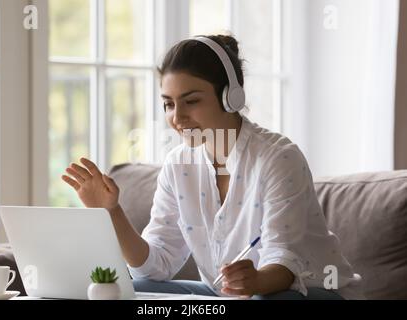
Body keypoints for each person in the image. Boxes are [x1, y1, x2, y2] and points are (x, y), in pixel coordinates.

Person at [62, 34, 363, 300]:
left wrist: (255, 280)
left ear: (231, 97)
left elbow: (284, 263)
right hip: (230, 295)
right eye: (168, 104)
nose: (177, 117)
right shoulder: (178, 165)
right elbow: (155, 266)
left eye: (190, 101)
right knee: (128, 289)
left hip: (311, 292)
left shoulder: (278, 157)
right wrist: (111, 212)